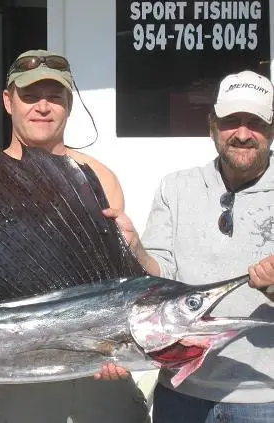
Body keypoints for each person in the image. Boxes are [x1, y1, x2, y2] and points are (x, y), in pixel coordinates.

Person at [0, 49, 149, 423]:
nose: (43, 107)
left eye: (54, 97)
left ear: (68, 105)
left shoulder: (98, 177)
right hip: (19, 381)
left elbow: (124, 284)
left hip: (98, 373)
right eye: (30, 96)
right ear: (8, 101)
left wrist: (134, 246)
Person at [103, 69, 274, 422]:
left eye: (254, 122)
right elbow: (160, 278)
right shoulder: (175, 187)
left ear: (271, 129)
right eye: (231, 121)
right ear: (213, 126)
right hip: (180, 395)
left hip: (265, 399)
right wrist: (135, 248)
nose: (242, 134)